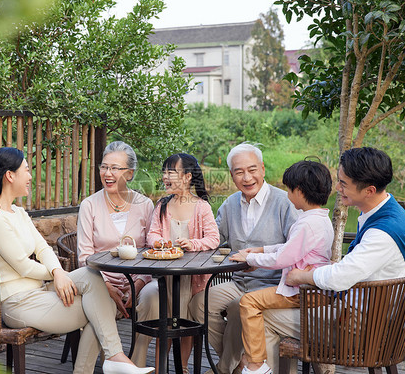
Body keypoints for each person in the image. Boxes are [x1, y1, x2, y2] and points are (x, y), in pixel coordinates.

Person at [0, 147, 154, 374]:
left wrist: (58, 272)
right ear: (10, 175)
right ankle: (114, 358)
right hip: (17, 303)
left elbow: (43, 248)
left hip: (40, 293)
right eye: (26, 171)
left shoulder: (18, 212)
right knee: (99, 307)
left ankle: (113, 359)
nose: (30, 177)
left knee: (93, 280)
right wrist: (56, 274)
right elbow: (23, 265)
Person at [263, 147, 405, 374]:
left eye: (343, 184)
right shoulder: (390, 213)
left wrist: (302, 275)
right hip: (377, 321)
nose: (337, 188)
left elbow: (339, 278)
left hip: (360, 330)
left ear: (369, 190)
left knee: (265, 317)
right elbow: (356, 268)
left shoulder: (383, 233)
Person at [188, 143, 298, 374]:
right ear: (232, 175)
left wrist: (259, 256)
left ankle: (224, 368)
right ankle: (238, 363)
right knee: (199, 304)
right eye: (239, 172)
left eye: (252, 169)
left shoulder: (284, 202)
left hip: (272, 286)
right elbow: (214, 240)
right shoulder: (229, 205)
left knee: (239, 308)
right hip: (238, 282)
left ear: (263, 169)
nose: (247, 178)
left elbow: (295, 249)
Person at [230, 160, 333, 374]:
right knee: (255, 305)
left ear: (300, 191)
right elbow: (289, 247)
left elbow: (283, 259)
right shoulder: (319, 218)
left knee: (248, 302)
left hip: (300, 291)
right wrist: (261, 249)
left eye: (289, 189)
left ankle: (256, 365)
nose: (287, 194)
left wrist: (250, 260)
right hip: (309, 289)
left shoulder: (306, 223)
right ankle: (259, 363)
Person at [76, 141, 159, 368]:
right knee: (99, 317)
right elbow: (84, 256)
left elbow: (150, 251)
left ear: (130, 173)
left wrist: (140, 283)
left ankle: (137, 361)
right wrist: (106, 287)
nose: (108, 173)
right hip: (101, 283)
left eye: (115, 168)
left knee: (154, 297)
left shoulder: (144, 205)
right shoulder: (89, 205)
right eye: (104, 167)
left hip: (140, 280)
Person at [147, 153, 220, 374]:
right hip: (166, 277)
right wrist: (161, 242)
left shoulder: (202, 207)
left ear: (187, 176)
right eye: (164, 172)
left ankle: (184, 368)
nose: (165, 177)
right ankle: (161, 368)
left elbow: (214, 239)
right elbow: (151, 235)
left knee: (185, 322)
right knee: (165, 323)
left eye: (171, 172)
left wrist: (192, 243)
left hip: (193, 278)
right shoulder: (162, 205)